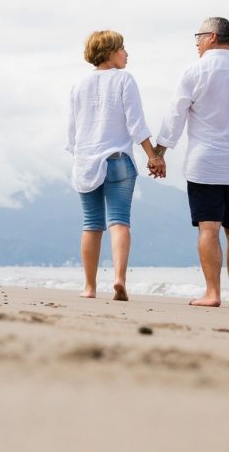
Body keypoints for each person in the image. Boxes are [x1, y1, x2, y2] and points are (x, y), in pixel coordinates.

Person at [154, 17, 229, 308]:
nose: (196, 43)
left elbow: (175, 116)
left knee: (209, 228)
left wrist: (159, 153)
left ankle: (212, 293)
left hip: (205, 163)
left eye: (198, 36)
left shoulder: (195, 71)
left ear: (213, 37)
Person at [67, 30, 167, 301]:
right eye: (122, 48)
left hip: (86, 161)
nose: (126, 53)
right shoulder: (124, 79)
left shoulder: (78, 85)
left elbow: (72, 133)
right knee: (119, 222)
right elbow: (136, 124)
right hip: (118, 161)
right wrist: (153, 156)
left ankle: (89, 287)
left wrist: (81, 157)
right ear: (110, 52)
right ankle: (119, 280)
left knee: (91, 225)